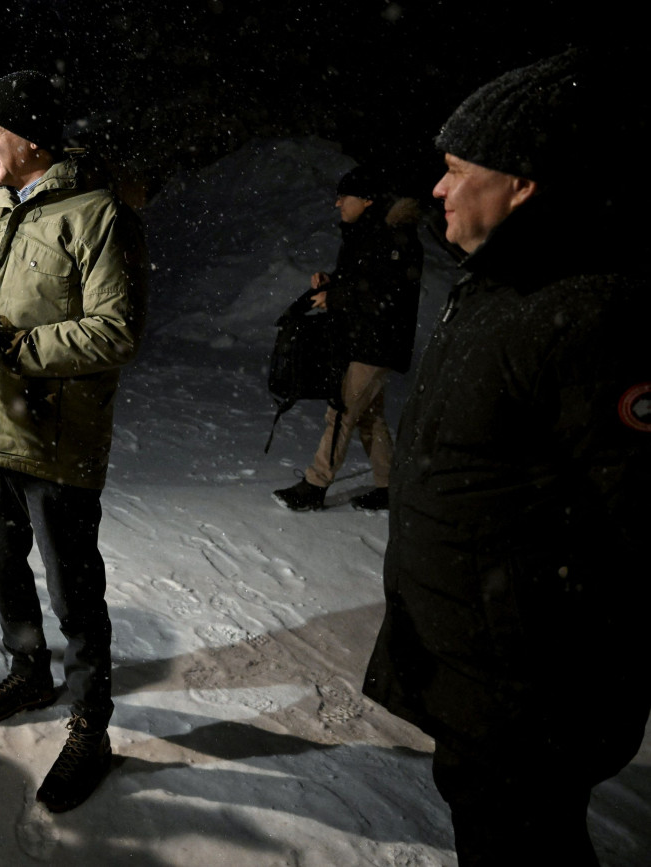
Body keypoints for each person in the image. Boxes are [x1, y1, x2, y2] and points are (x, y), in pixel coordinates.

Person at [362, 48, 650, 866]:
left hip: (529, 696)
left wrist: (540, 669)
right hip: (480, 671)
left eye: (458, 171)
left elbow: (631, 525)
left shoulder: (594, 314)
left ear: (523, 184)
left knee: (524, 841)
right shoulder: (501, 282)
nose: (439, 189)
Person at [0, 70, 148, 813]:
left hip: (57, 440)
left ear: (27, 136)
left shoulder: (97, 216)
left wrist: (11, 342)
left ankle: (92, 725)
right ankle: (29, 669)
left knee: (74, 590)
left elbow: (116, 331)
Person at [273, 165, 422, 512]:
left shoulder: (392, 238)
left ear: (368, 200)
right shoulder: (369, 234)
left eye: (344, 197)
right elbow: (362, 281)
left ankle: (315, 484)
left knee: (340, 410)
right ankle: (389, 486)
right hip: (363, 338)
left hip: (375, 342)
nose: (338, 203)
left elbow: (384, 296)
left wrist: (335, 297)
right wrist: (331, 282)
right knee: (369, 415)